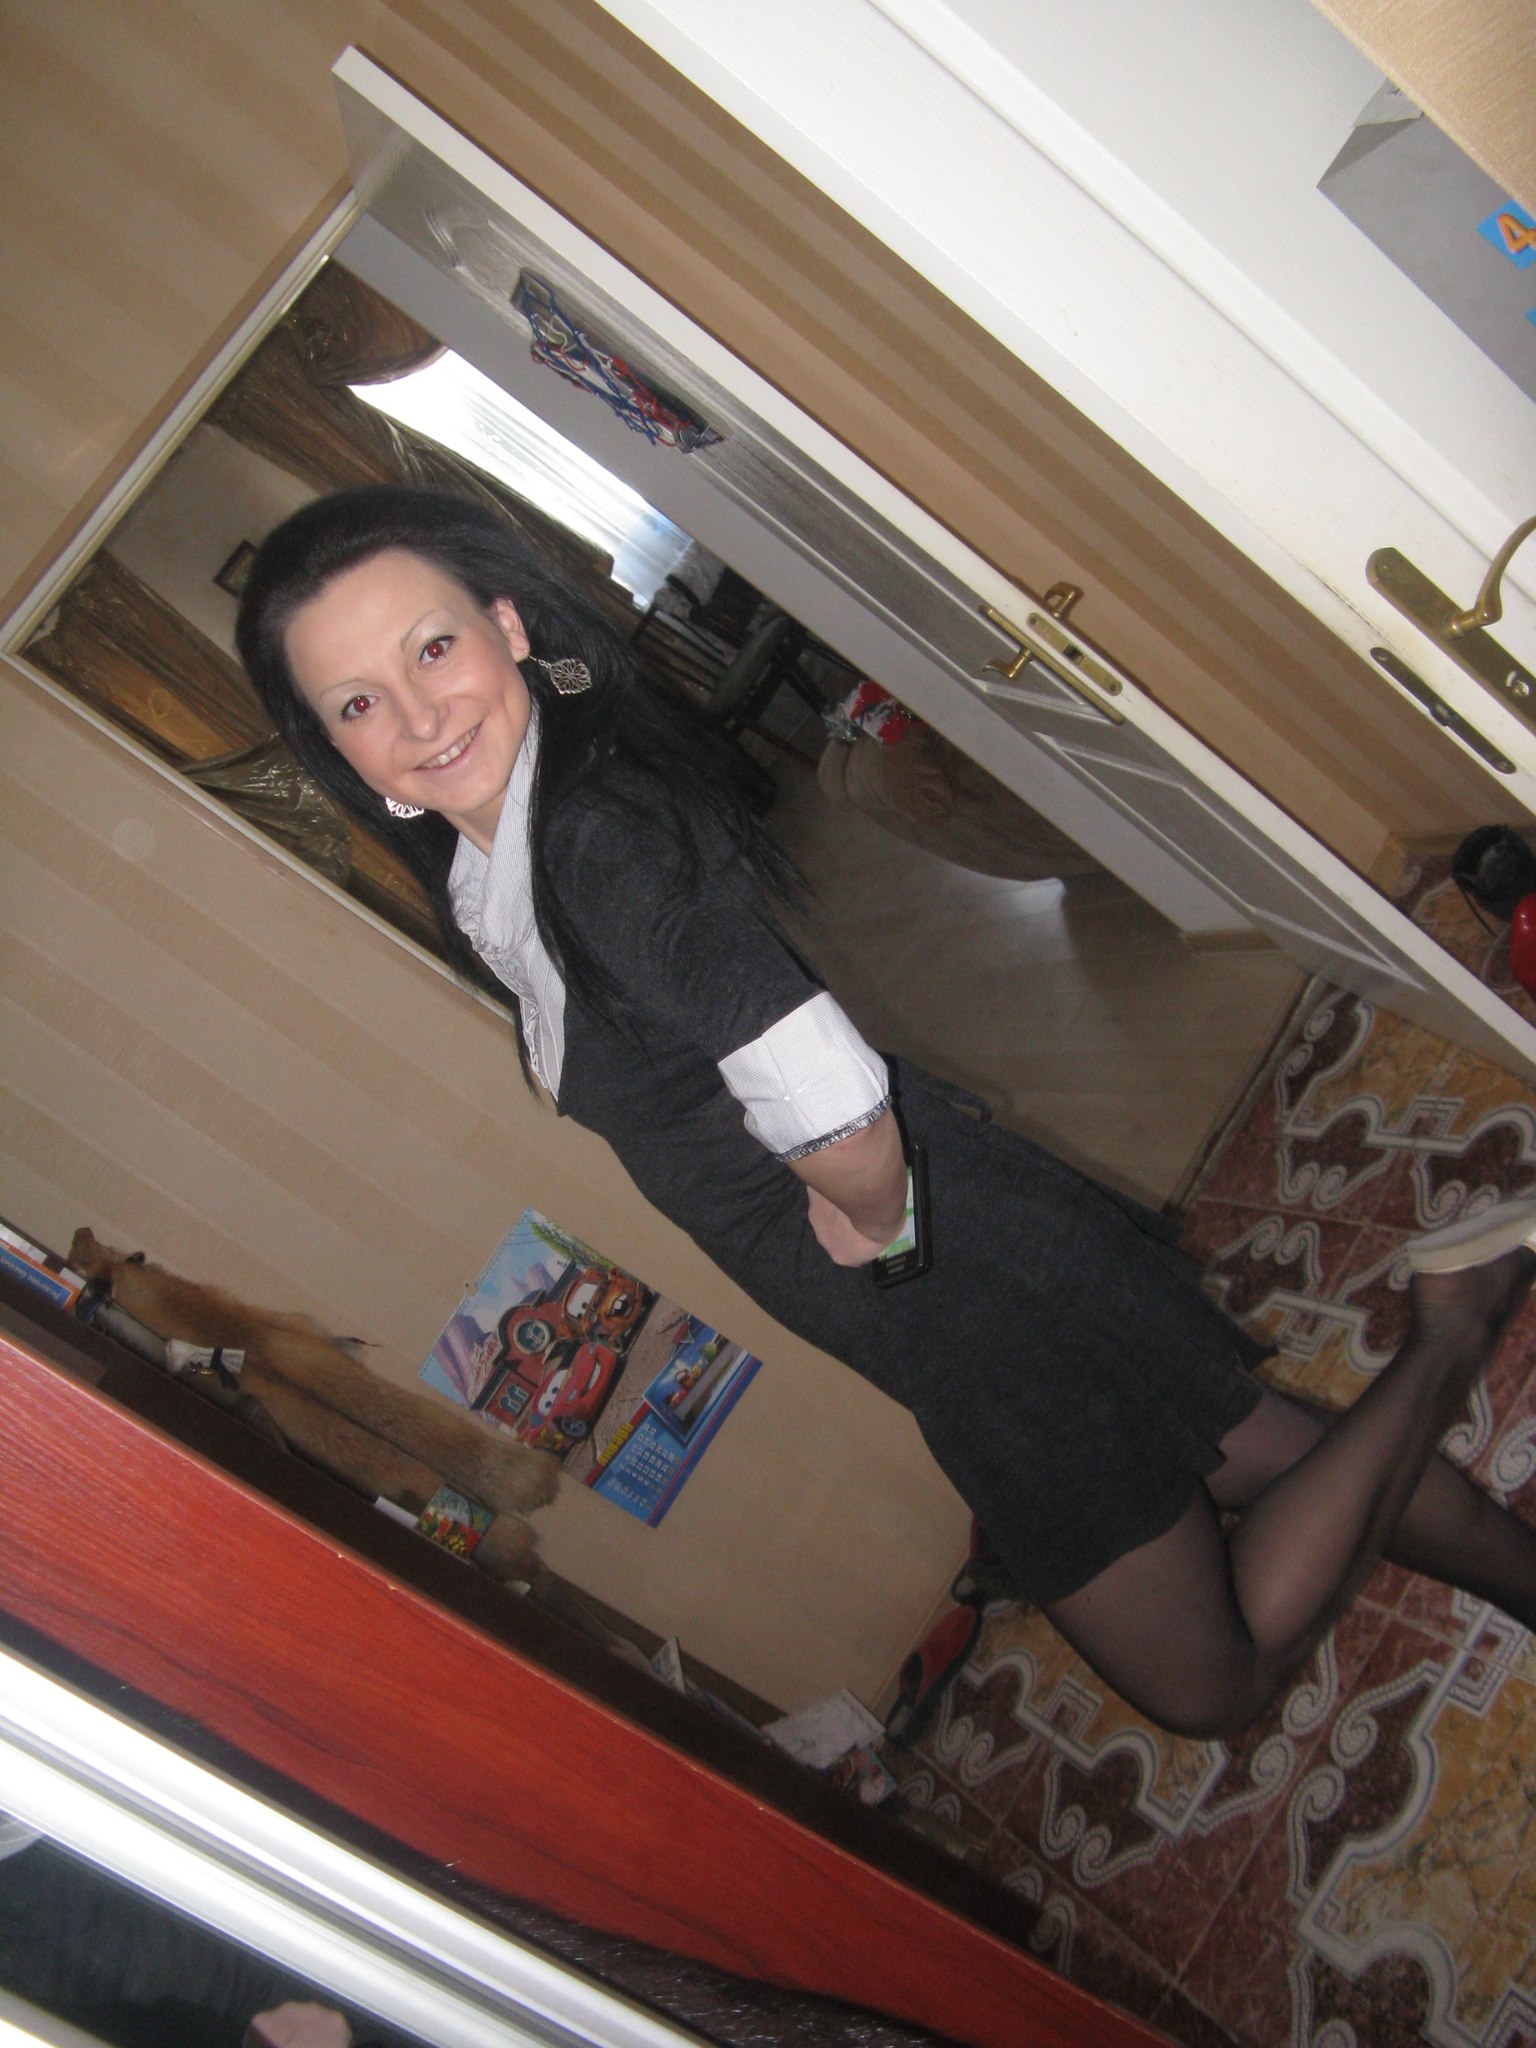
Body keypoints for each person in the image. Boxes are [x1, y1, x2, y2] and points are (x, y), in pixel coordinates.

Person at [236, 486, 1536, 1740]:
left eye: (433, 647)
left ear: (510, 625)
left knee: (1206, 1681)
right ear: (334, 746)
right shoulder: (500, 867)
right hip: (967, 1244)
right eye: (358, 701)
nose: (417, 713)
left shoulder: (588, 843)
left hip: (951, 1298)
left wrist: (871, 1209)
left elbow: (823, 1086)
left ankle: (1451, 1327)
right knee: (1255, 1444)